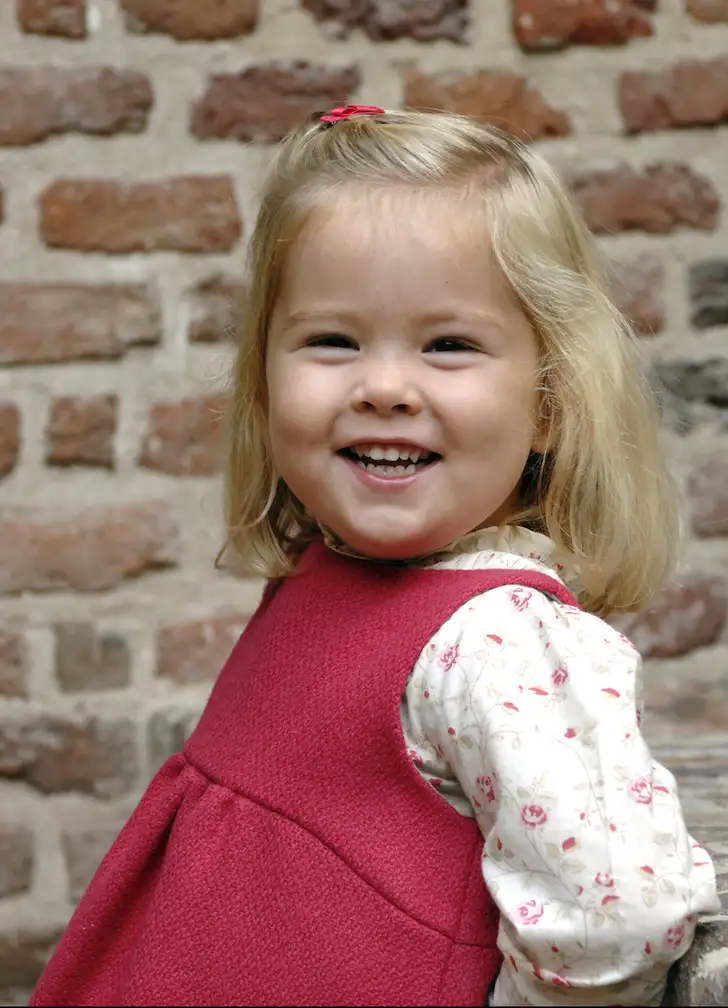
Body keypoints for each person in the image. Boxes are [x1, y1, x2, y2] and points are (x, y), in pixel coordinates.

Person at [30, 105, 718, 1008]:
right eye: (332, 341)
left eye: (449, 346)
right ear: (264, 378)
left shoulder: (499, 642)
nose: (385, 387)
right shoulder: (324, 569)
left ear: (549, 406)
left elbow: (616, 918)